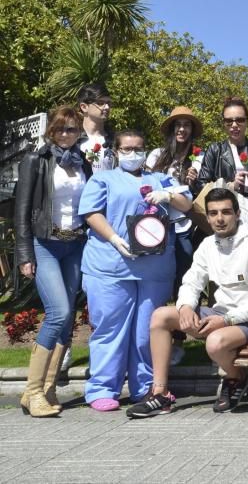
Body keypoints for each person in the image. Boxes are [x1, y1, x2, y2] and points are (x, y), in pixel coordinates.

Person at [126, 188, 248, 418]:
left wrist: (227, 319)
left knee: (215, 343)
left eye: (226, 212)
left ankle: (236, 378)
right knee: (161, 316)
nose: (220, 218)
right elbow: (191, 281)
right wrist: (186, 306)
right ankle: (160, 394)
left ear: (237, 214)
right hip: (221, 314)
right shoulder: (208, 245)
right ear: (207, 217)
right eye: (213, 213)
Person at [77, 130, 193, 411]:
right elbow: (91, 213)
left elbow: (186, 203)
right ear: (116, 151)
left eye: (139, 148)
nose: (133, 154)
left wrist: (167, 195)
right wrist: (115, 239)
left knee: (146, 331)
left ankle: (146, 385)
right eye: (127, 149)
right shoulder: (103, 178)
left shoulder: (161, 177)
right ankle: (103, 387)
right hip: (110, 266)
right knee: (110, 328)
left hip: (154, 268)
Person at [14, 107, 93, 417]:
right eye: (61, 129)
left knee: (68, 315)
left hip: (75, 244)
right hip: (45, 243)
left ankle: (47, 389)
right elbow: (22, 210)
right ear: (51, 131)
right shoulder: (36, 161)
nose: (66, 134)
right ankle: (31, 391)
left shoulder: (82, 162)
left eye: (72, 129)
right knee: (57, 312)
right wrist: (24, 255)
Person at [147, 106, 204, 365]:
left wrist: (196, 180)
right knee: (157, 284)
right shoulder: (157, 156)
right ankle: (153, 337)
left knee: (183, 284)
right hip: (157, 227)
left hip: (185, 228)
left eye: (187, 125)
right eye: (177, 125)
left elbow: (202, 194)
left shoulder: (198, 156)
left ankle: (179, 340)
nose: (182, 129)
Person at [198, 96, 248, 211]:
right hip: (222, 212)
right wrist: (230, 186)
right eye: (229, 121)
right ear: (223, 123)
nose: (234, 125)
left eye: (240, 120)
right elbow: (201, 185)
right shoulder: (215, 149)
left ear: (247, 121)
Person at [76, 83, 115, 175]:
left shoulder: (114, 140)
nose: (107, 107)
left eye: (108, 103)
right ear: (84, 107)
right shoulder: (72, 139)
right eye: (100, 103)